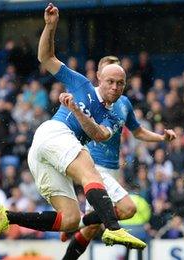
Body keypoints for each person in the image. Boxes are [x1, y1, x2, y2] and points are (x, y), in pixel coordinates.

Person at [0, 3, 145, 250]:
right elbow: (46, 58)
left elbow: (100, 135)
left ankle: (7, 217)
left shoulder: (113, 116)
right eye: (111, 81)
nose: (115, 87)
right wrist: (50, 27)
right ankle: (114, 230)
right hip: (54, 134)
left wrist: (77, 112)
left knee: (70, 220)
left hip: (47, 153)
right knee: (90, 172)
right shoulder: (81, 84)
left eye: (120, 84)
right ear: (99, 80)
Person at [61, 56, 176, 259]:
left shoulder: (123, 104)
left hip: (112, 167)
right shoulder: (90, 99)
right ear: (99, 77)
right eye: (108, 78)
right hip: (93, 166)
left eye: (118, 79)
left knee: (91, 228)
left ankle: (79, 224)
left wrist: (161, 138)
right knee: (125, 209)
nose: (113, 85)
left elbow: (138, 131)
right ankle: (77, 221)